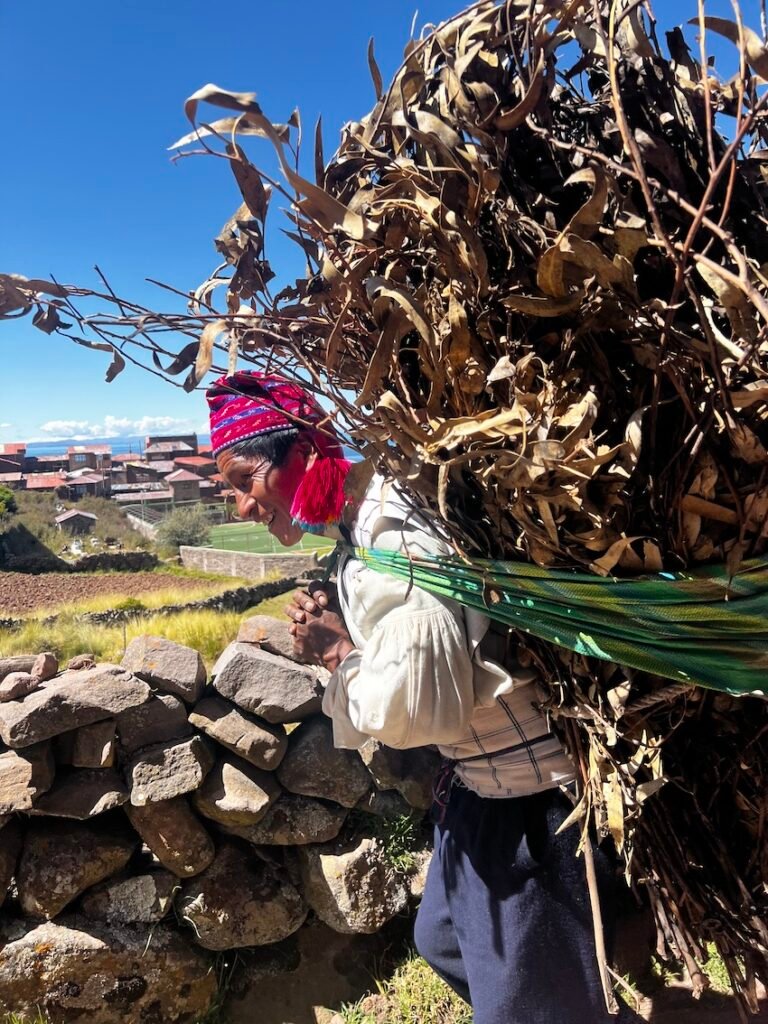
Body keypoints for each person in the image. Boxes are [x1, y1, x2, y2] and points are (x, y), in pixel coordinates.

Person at [207, 370, 644, 1024]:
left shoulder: (391, 526)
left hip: (532, 806)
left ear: (301, 451)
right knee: (440, 940)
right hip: (478, 792)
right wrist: (348, 627)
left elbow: (420, 708)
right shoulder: (360, 532)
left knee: (527, 1009)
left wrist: (336, 652)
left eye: (245, 480)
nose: (242, 505)